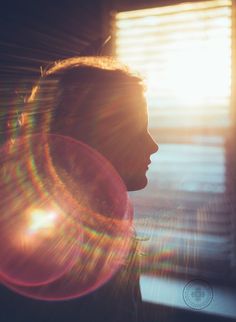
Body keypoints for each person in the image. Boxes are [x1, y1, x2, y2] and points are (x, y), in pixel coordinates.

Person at [1, 56, 158, 322]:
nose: (153, 145)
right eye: (137, 130)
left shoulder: (112, 229)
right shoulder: (39, 247)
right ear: (88, 137)